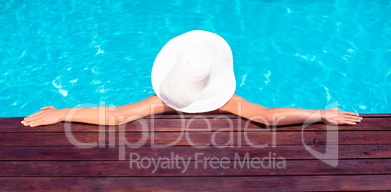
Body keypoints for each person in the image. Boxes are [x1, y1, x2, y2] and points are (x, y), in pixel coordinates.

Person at [21, 30, 362, 128]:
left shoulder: (161, 103)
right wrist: (321, 114)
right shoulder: (230, 103)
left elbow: (113, 116)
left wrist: (62, 113)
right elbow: (270, 117)